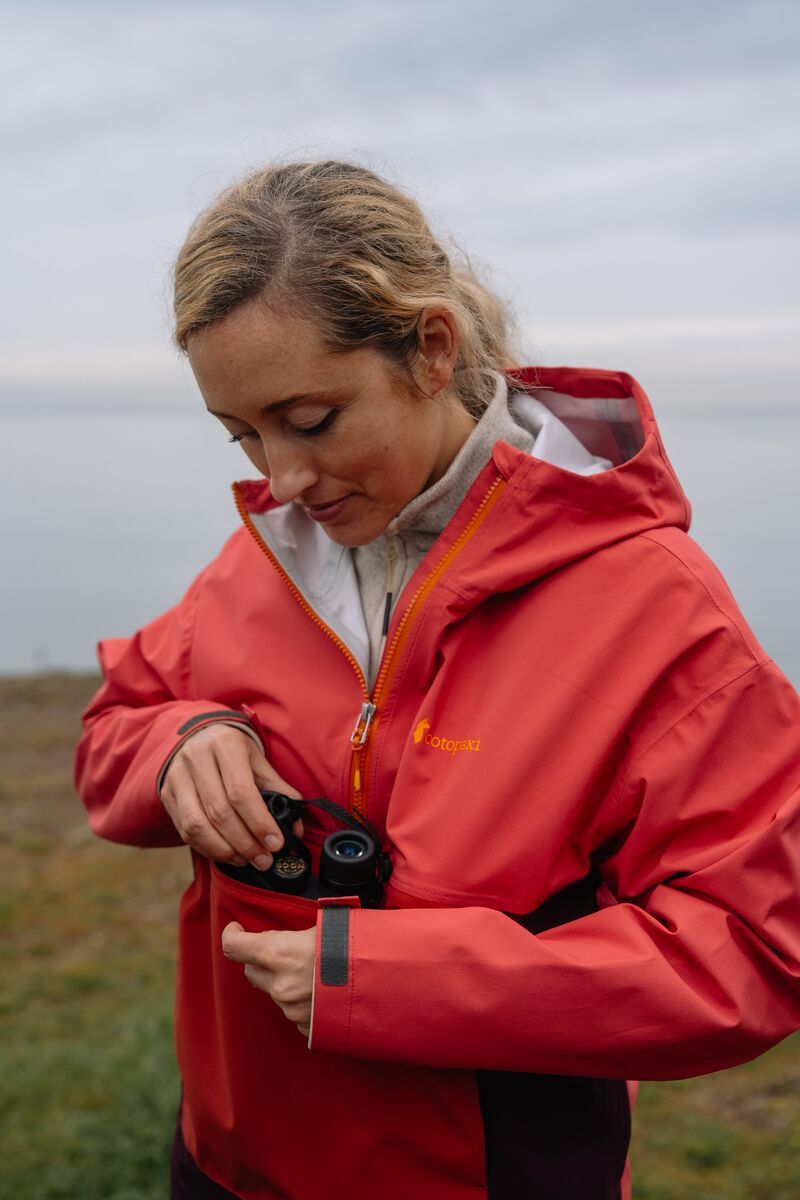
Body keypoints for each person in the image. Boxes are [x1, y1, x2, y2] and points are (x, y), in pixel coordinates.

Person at [74, 160, 800, 1200]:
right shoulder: (266, 557)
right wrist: (178, 741)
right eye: (242, 435)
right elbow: (113, 727)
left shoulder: (656, 609)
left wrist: (387, 983)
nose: (281, 479)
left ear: (431, 347)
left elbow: (751, 949)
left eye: (310, 421)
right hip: (229, 1165)